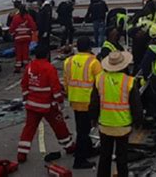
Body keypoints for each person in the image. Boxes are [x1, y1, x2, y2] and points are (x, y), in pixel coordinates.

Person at [17, 45, 75, 163]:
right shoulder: (49, 68)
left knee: (29, 128)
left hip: (32, 104)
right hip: (48, 105)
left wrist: (27, 98)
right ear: (47, 55)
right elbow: (55, 88)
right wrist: (60, 102)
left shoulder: (30, 67)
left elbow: (24, 84)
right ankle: (69, 146)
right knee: (59, 126)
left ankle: (21, 153)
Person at [90, 51, 143, 177]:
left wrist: (93, 118)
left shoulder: (100, 79)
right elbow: (136, 105)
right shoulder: (129, 81)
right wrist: (138, 121)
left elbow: (94, 103)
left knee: (105, 157)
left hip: (105, 125)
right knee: (122, 158)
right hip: (123, 126)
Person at [63, 37, 102, 169]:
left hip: (74, 99)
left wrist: (69, 94)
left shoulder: (68, 61)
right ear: (89, 48)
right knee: (84, 131)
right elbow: (100, 84)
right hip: (88, 101)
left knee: (81, 128)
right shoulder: (94, 62)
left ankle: (88, 150)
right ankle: (80, 160)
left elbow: (66, 81)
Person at [9, 5, 37, 73]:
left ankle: (18, 67)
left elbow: (12, 27)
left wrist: (12, 34)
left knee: (18, 52)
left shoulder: (16, 18)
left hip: (18, 38)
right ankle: (26, 65)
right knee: (25, 52)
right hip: (27, 37)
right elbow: (33, 26)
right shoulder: (28, 17)